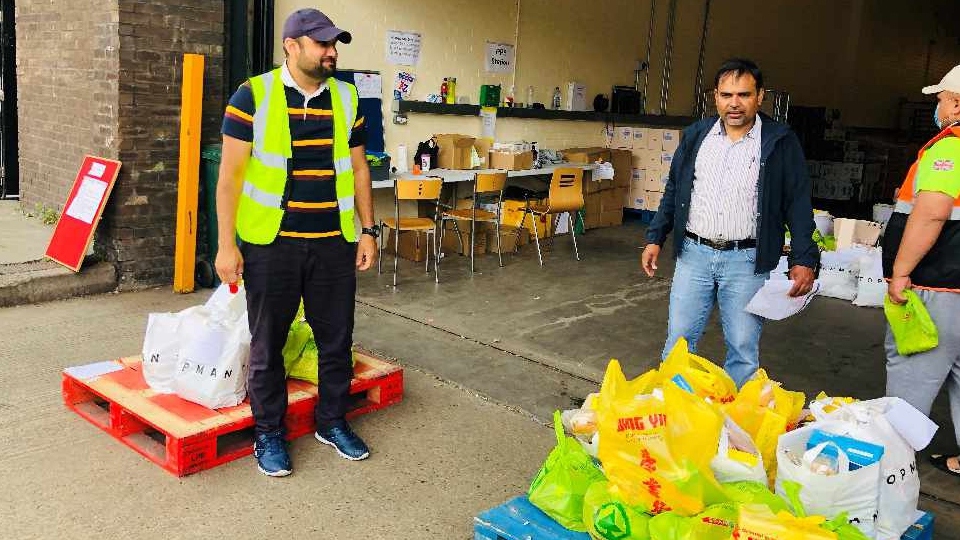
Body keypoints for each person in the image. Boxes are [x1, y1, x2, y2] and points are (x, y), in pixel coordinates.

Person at [215, 8, 379, 477]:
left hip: (333, 243)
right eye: (322, 44)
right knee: (268, 343)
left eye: (334, 44)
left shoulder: (347, 98)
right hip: (272, 246)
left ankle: (331, 421)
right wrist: (227, 246)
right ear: (292, 46)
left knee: (336, 341)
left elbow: (360, 169)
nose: (332, 52)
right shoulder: (253, 95)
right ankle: (269, 432)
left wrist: (368, 230)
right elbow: (229, 177)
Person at [641, 58, 818, 388]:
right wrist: (656, 236)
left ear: (760, 96)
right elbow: (675, 190)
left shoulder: (779, 141)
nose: (734, 103)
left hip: (746, 260)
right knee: (679, 342)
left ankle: (733, 425)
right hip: (694, 254)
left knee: (743, 348)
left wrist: (804, 258)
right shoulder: (697, 136)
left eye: (744, 94)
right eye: (726, 95)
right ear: (715, 97)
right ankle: (677, 415)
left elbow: (797, 202)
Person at [883, 65, 960, 479]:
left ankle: (892, 469)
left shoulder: (949, 148)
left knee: (913, 378)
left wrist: (901, 271)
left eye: (941, 99)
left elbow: (931, 213)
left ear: (957, 104)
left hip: (940, 287)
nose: (937, 106)